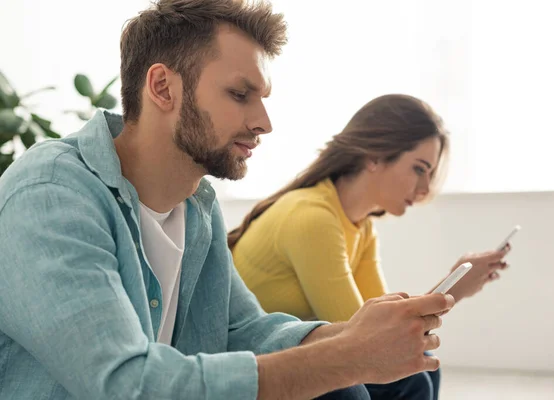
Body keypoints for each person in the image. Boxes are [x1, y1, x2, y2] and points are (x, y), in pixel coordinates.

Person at [0, 1, 457, 399]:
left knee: (345, 391)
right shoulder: (52, 195)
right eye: (240, 94)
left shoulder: (195, 203)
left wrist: (349, 334)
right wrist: (347, 356)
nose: (263, 122)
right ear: (162, 87)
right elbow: (127, 385)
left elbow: (241, 330)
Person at [229, 94, 511, 399]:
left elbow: (380, 330)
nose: (425, 188)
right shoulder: (312, 218)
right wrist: (453, 291)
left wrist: (455, 289)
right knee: (406, 379)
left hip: (289, 351)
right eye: (419, 169)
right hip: (255, 364)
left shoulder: (360, 227)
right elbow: (362, 340)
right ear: (374, 155)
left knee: (421, 366)